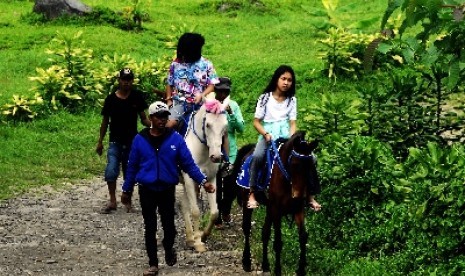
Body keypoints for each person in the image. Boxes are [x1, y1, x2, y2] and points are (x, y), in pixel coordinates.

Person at [120, 101, 216, 276]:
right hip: (147, 188)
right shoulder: (140, 139)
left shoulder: (175, 139)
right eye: (158, 117)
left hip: (166, 189)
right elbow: (132, 166)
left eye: (165, 116)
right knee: (150, 226)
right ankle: (153, 264)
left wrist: (203, 181)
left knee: (169, 227)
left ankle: (169, 247)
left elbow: (189, 164)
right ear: (151, 119)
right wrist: (126, 190)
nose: (162, 120)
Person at [247, 65, 321, 211]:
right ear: (277, 79)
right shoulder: (265, 98)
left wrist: (292, 138)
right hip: (268, 133)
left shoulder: (292, 100)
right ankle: (252, 192)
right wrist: (266, 134)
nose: (286, 83)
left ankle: (310, 195)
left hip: (287, 135)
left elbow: (292, 123)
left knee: (311, 158)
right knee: (257, 156)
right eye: (283, 79)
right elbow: (256, 122)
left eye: (289, 80)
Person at [96, 68, 151, 214]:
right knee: (111, 170)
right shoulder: (111, 99)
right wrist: (100, 141)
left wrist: (157, 124)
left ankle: (128, 201)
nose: (126, 83)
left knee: (130, 172)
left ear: (132, 81)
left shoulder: (136, 97)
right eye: (124, 80)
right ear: (119, 80)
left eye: (129, 80)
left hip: (132, 142)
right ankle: (112, 200)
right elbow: (105, 122)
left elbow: (144, 118)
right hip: (115, 141)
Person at [165, 32, 219, 130]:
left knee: (218, 128)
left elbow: (212, 85)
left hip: (202, 104)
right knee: (168, 125)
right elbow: (169, 83)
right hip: (180, 104)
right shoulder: (175, 64)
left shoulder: (207, 64)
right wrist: (169, 100)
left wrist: (202, 95)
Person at [213, 77, 245, 228]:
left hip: (230, 152)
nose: (222, 94)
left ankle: (226, 209)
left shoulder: (233, 105)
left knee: (231, 186)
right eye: (220, 91)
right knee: (217, 185)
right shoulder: (209, 105)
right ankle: (217, 216)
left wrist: (231, 114)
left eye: (225, 91)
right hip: (213, 151)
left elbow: (241, 128)